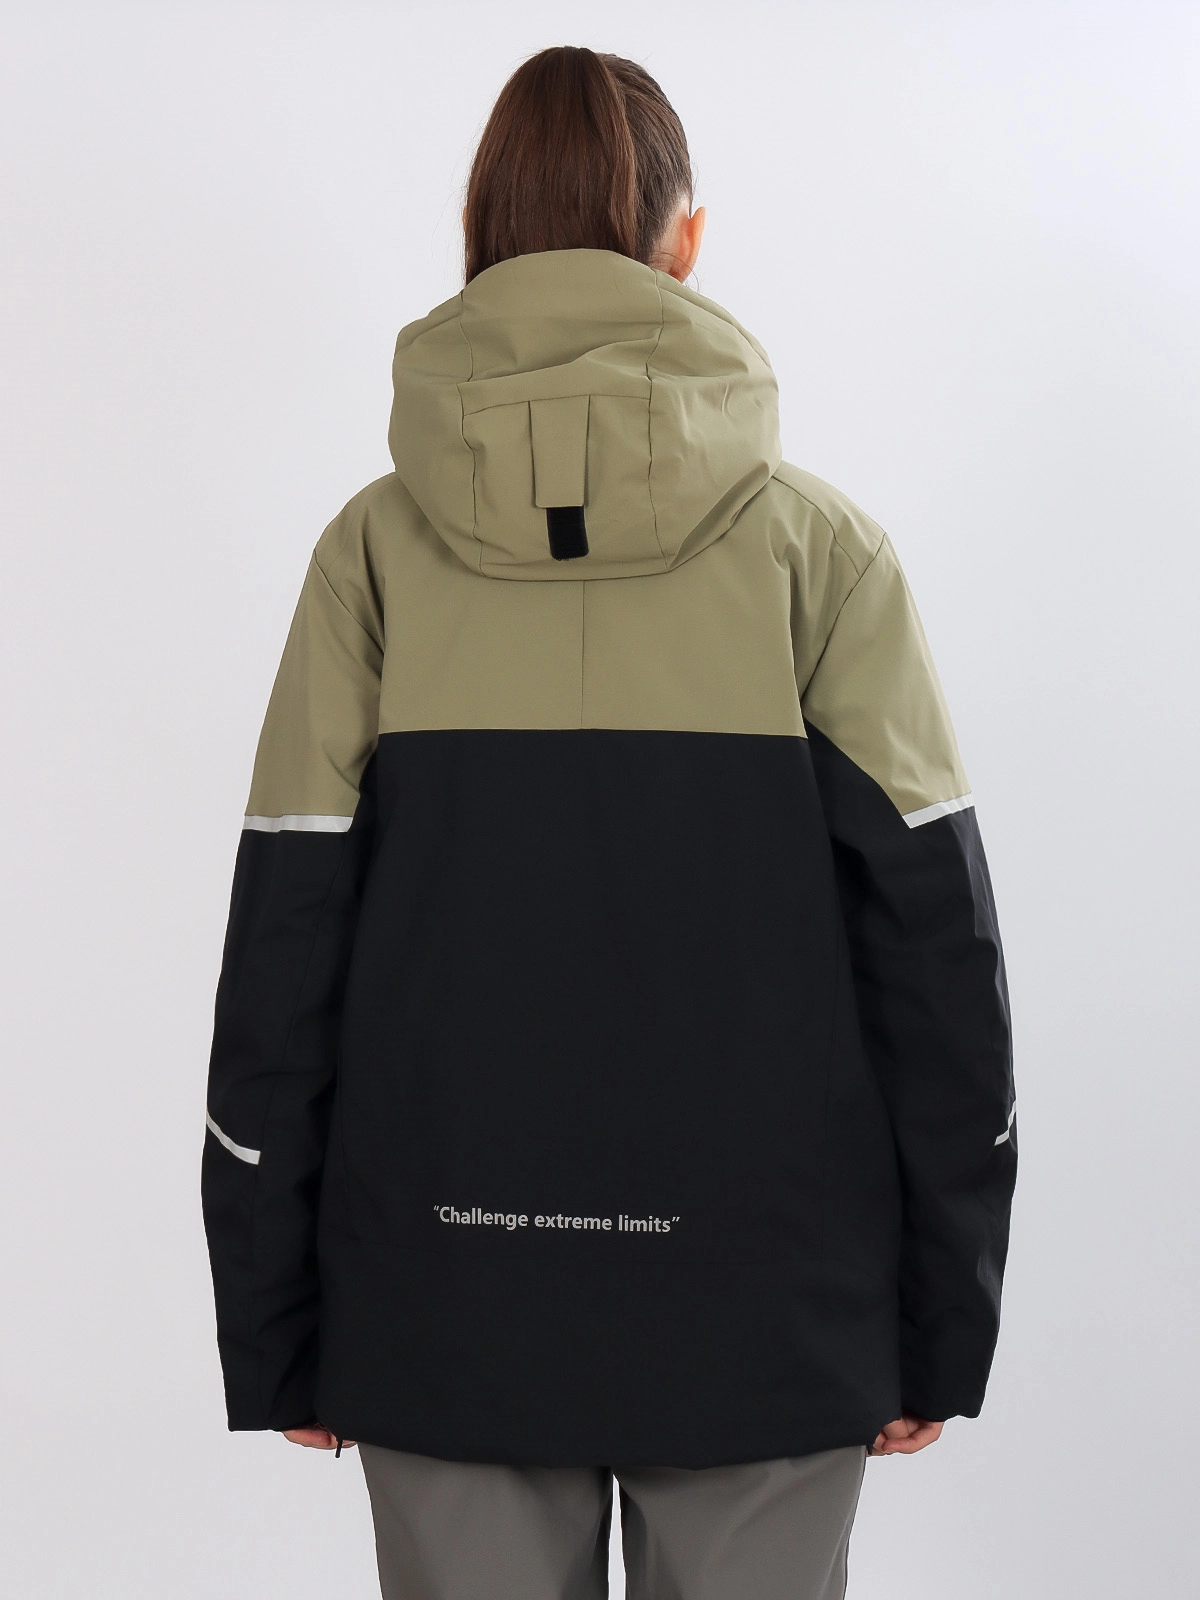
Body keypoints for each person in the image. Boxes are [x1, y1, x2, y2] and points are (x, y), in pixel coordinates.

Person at [201, 44, 1016, 1600]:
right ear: (684, 241)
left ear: (479, 232)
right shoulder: (822, 557)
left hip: (439, 1300)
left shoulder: (369, 558)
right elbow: (937, 961)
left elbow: (286, 941)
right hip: (773, 1307)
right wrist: (939, 1313)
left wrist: (277, 1314)